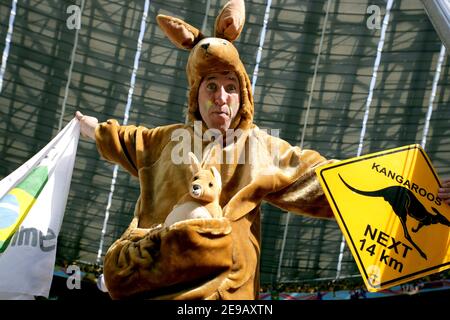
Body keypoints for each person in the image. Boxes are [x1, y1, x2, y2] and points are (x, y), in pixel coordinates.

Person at [75, 0, 334, 300]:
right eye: (211, 87)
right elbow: (123, 139)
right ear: (196, 95)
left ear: (243, 96)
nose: (221, 97)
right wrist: (93, 129)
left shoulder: (259, 148)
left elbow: (319, 179)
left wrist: (382, 180)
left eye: (230, 87)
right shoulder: (164, 141)